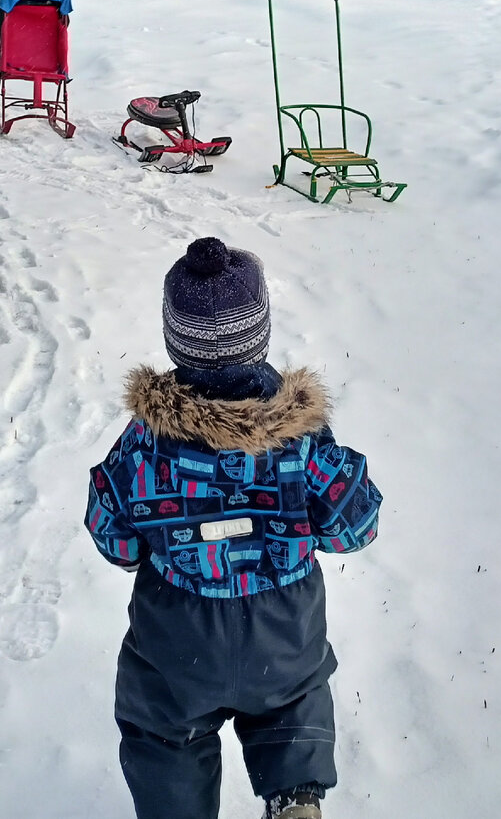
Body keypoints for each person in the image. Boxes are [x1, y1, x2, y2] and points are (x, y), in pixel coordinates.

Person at [85, 237, 383, 819]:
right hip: (283, 629)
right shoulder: (302, 443)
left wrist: (139, 548)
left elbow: (110, 530)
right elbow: (357, 524)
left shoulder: (145, 447)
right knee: (293, 702)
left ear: (176, 341)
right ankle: (294, 796)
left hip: (178, 632)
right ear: (260, 334)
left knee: (163, 730)